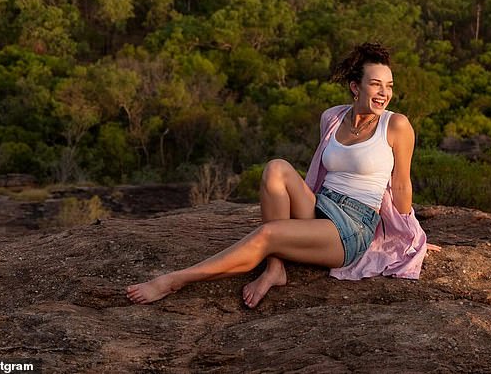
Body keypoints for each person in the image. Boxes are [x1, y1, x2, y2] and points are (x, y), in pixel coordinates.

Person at [126, 42, 435, 308]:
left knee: (267, 235)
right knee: (276, 167)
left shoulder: (396, 126)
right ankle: (276, 268)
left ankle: (175, 281)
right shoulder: (333, 117)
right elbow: (320, 173)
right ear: (356, 87)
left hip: (352, 226)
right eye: (376, 84)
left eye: (389, 86)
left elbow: (401, 188)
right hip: (321, 205)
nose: (384, 93)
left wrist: (411, 239)